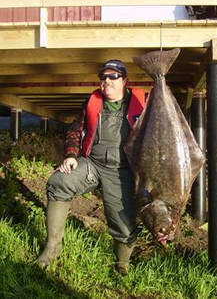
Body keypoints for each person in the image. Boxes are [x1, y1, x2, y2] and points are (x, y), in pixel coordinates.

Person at [37, 59, 145, 274]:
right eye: (103, 77)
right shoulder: (91, 101)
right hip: (92, 164)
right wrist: (70, 155)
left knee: (123, 224)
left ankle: (122, 263)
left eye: (113, 76)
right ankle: (52, 247)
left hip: (123, 171)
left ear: (124, 80)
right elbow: (75, 130)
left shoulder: (143, 103)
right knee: (59, 181)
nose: (107, 80)